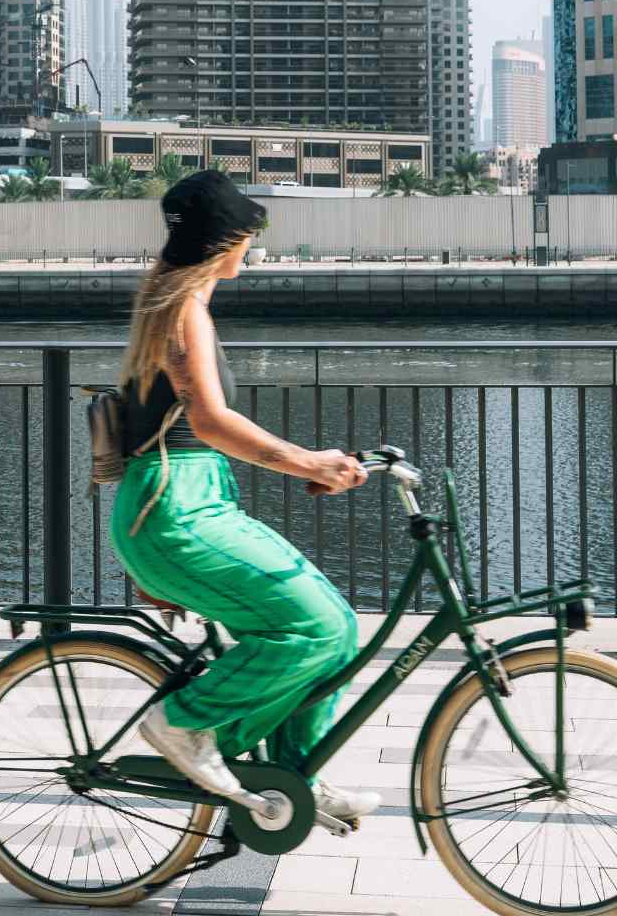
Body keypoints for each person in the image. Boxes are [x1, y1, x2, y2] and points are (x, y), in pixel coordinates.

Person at [111, 169, 380, 826]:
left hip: (191, 510)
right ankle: (183, 724)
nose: (252, 248)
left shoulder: (180, 306)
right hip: (174, 517)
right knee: (311, 626)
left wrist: (309, 465)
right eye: (248, 235)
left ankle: (294, 779)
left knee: (335, 629)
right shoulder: (182, 313)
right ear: (223, 240)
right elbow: (208, 423)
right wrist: (307, 460)